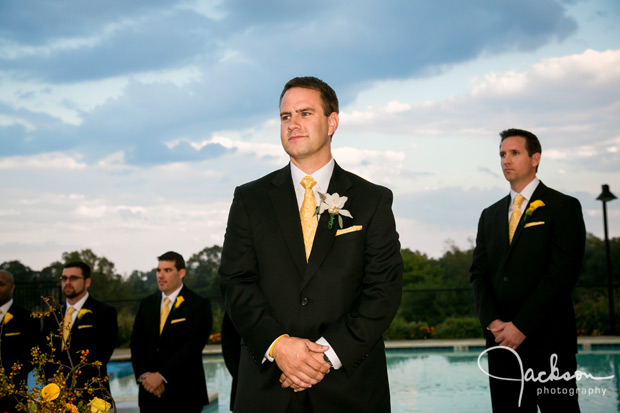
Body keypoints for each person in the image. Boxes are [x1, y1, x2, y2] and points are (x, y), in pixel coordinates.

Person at [219, 76, 403, 412]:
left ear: (332, 122)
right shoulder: (250, 199)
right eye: (285, 116)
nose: (293, 124)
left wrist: (324, 356)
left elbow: (382, 290)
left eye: (305, 113)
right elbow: (236, 283)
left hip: (350, 388)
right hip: (268, 387)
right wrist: (280, 346)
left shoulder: (372, 200)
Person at [470, 128, 586, 412]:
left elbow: (561, 275)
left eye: (514, 153)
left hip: (550, 343)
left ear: (535, 158)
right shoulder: (490, 215)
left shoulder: (564, 207)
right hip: (502, 346)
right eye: (502, 154)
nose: (506, 160)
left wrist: (521, 327)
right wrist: (493, 322)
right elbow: (478, 274)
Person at [130, 251, 213, 413]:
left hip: (185, 394)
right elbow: (136, 342)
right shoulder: (147, 303)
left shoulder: (198, 304)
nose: (161, 275)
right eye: (158, 270)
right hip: (149, 394)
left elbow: (193, 346)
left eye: (167, 270)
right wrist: (145, 377)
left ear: (181, 273)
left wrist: (161, 376)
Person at [41, 262, 118, 399]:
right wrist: (52, 380)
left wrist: (68, 382)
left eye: (73, 278)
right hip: (54, 395)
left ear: (87, 282)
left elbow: (101, 354)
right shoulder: (52, 316)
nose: (68, 282)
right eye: (64, 278)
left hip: (90, 394)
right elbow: (43, 352)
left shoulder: (104, 313)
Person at [0, 270, 40, 412]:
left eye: (1, 284)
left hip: (15, 397)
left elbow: (32, 357)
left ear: (12, 287)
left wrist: (9, 376)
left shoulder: (28, 318)